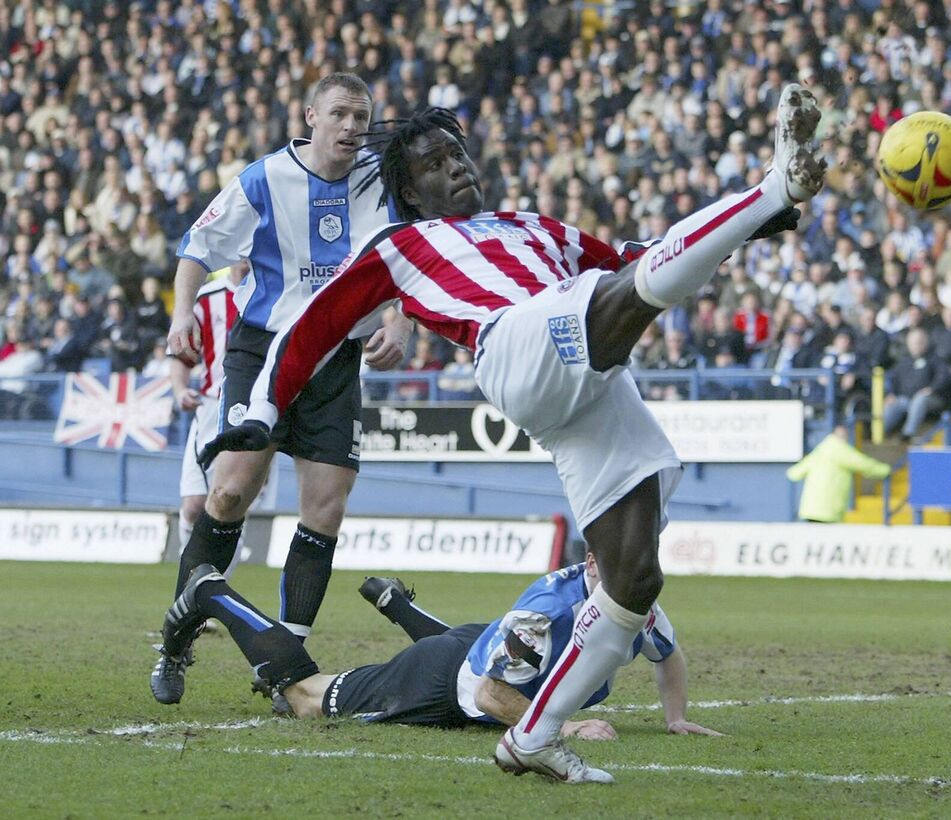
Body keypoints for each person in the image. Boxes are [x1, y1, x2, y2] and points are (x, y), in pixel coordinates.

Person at [198, 89, 824, 782]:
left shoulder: (533, 226)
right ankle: (775, 183)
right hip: (516, 344)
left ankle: (534, 737)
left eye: (457, 154)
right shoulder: (399, 246)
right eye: (434, 163)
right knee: (618, 300)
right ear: (411, 191)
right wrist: (260, 410)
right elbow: (312, 326)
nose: (455, 166)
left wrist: (746, 233)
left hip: (585, 379)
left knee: (634, 580)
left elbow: (629, 258)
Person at [151, 73, 410, 706]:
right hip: (263, 349)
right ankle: (175, 643)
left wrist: (400, 319)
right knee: (228, 491)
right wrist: (182, 315)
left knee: (325, 509)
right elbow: (197, 248)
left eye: (362, 116)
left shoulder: (380, 181)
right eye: (340, 113)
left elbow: (410, 256)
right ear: (311, 116)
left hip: (336, 358)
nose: (352, 127)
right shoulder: (265, 178)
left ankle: (284, 666)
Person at [159, 554, 719, 748]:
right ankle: (212, 592)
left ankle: (398, 605)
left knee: (472, 650)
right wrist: (566, 727)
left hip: (477, 645)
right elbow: (491, 694)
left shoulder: (637, 601)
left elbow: (667, 653)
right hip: (444, 681)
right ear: (591, 563)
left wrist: (676, 717)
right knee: (304, 698)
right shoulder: (545, 613)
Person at [172, 262, 278, 584]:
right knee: (194, 505)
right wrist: (179, 389)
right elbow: (182, 352)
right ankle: (190, 582)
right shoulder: (207, 298)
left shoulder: (275, 293)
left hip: (255, 410)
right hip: (210, 408)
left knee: (232, 501)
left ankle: (216, 588)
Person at [786, 424, 891, 523]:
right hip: (829, 509)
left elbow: (794, 473)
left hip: (810, 509)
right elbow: (863, 464)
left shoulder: (820, 450)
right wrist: (885, 470)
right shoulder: (841, 450)